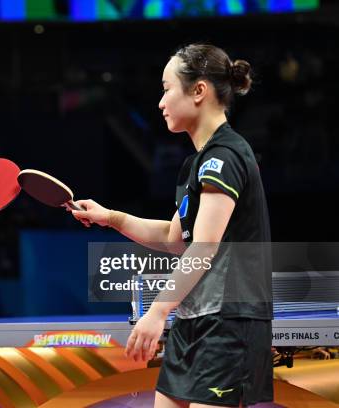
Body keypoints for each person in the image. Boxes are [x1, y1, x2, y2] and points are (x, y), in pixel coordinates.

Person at [71, 44, 273, 407]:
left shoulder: (224, 158)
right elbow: (174, 237)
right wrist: (111, 218)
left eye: (167, 88)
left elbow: (205, 246)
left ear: (199, 91)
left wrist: (159, 310)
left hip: (228, 324)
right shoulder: (197, 166)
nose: (160, 102)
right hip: (194, 319)